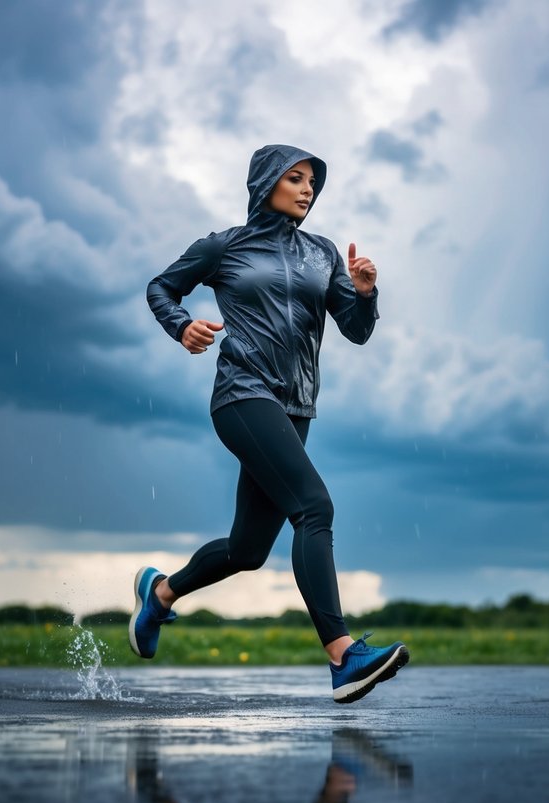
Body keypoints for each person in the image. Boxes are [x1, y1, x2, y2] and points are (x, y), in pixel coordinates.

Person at [133, 143, 409, 703]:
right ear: (266, 183)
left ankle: (160, 594)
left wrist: (365, 293)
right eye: (297, 178)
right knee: (314, 507)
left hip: (296, 406)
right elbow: (161, 287)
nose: (308, 189)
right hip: (242, 395)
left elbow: (356, 330)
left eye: (313, 182)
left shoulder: (322, 253)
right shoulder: (225, 246)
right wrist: (181, 325)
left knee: (248, 551)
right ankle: (342, 654)